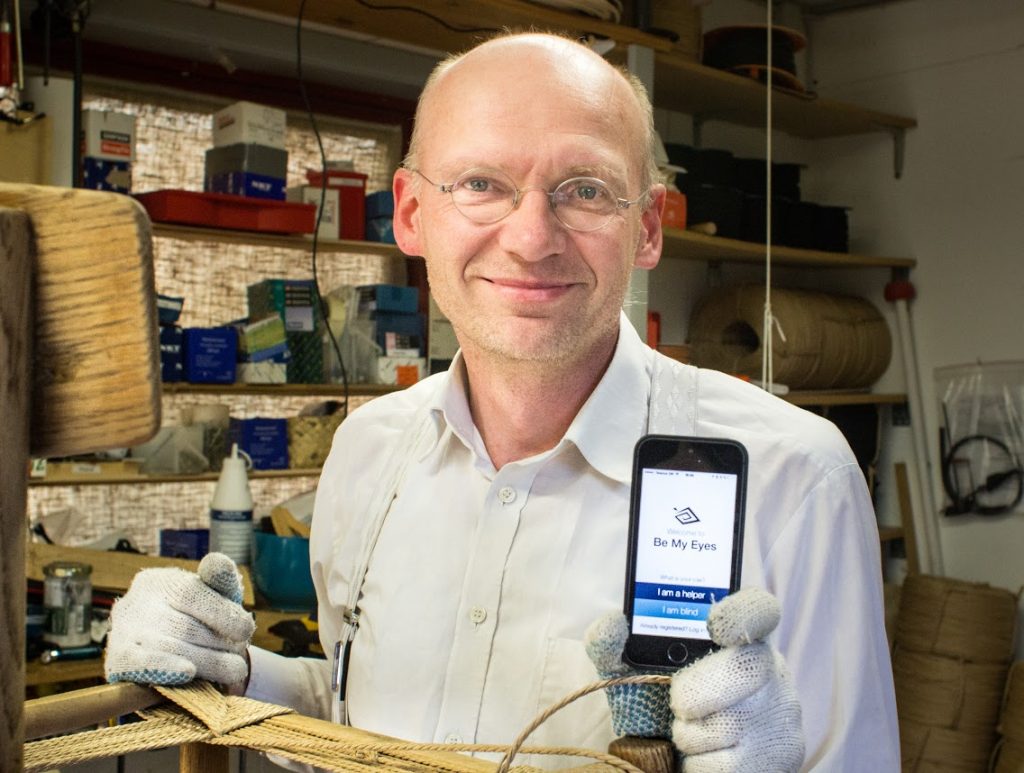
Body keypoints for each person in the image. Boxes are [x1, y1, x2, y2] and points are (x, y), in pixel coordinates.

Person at [105, 31, 899, 771]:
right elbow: (358, 715)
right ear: (413, 213)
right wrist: (225, 668)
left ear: (648, 227)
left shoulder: (794, 477)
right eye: (482, 183)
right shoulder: (369, 449)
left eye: (584, 189)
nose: (530, 236)